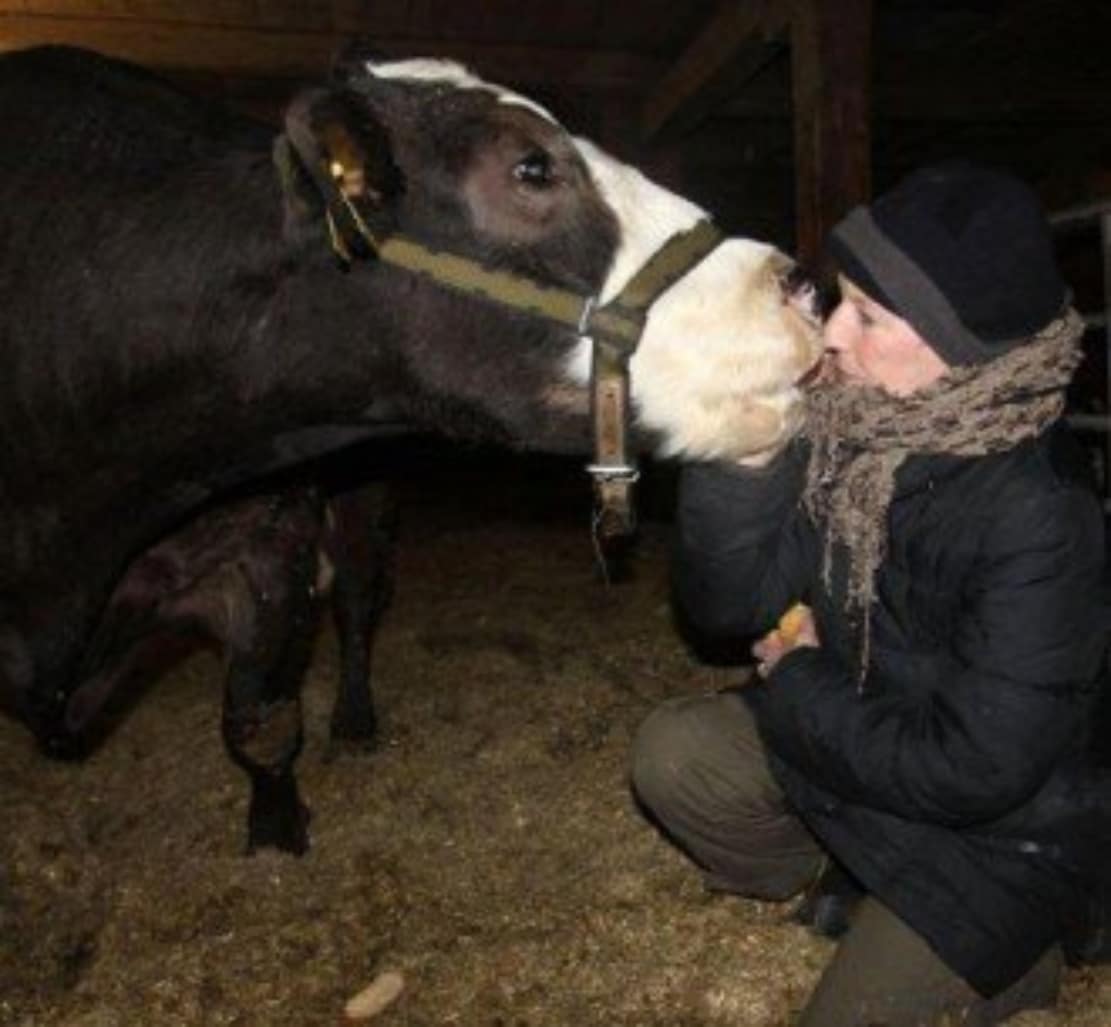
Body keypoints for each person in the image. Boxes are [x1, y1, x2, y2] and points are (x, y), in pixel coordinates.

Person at [630, 161, 1111, 1025]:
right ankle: (842, 878)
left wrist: (799, 678)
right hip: (863, 743)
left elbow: (973, 772)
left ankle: (1012, 958)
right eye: (838, 300)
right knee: (676, 754)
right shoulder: (851, 425)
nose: (830, 335)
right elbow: (728, 608)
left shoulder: (1039, 513)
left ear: (956, 345)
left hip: (997, 843)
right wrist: (743, 455)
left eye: (868, 316)